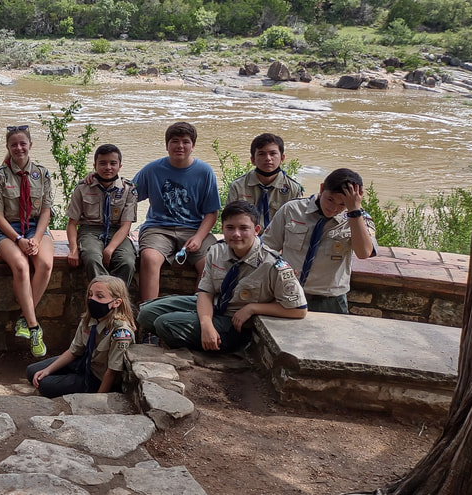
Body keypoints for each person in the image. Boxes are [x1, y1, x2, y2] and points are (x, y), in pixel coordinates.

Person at [137, 201, 307, 353]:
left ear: (256, 230)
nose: (236, 234)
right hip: (213, 307)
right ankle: (203, 335)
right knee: (145, 312)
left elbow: (298, 310)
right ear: (223, 228)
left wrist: (253, 308)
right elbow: (205, 292)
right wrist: (206, 324)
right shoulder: (217, 251)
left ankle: (209, 347)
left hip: (233, 324)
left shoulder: (272, 264)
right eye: (230, 228)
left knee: (165, 324)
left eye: (243, 228)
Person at [261, 168, 378, 314]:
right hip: (288, 292)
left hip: (330, 300)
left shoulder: (358, 220)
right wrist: (278, 268)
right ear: (322, 188)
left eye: (342, 204)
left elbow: (364, 252)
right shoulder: (292, 209)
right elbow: (266, 248)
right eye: (330, 199)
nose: (333, 207)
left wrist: (354, 211)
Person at [132, 122, 220, 303]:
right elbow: (127, 195)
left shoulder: (205, 172)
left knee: (211, 262)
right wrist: (99, 178)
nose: (180, 146)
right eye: (175, 141)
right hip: (158, 228)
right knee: (149, 258)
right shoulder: (153, 169)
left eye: (185, 142)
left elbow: (212, 212)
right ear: (167, 145)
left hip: (194, 229)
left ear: (193, 146)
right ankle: (148, 316)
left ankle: (195, 313)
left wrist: (198, 237)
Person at [0, 125, 54, 358]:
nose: (19, 148)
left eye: (23, 143)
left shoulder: (42, 174)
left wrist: (35, 238)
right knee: (21, 266)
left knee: (44, 264)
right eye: (14, 144)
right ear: (8, 147)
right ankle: (34, 327)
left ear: (30, 145)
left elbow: (46, 210)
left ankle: (24, 319)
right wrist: (18, 239)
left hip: (36, 228)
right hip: (8, 231)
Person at [26, 275, 136, 398]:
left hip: (96, 377)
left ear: (116, 302)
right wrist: (48, 370)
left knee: (45, 385)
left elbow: (112, 372)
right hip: (83, 362)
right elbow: (74, 351)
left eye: (99, 296)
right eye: (90, 295)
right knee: (32, 371)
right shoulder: (89, 319)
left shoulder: (120, 332)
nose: (92, 299)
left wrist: (98, 399)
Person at [66, 144, 138, 285]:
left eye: (113, 163)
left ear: (120, 166)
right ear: (95, 165)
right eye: (103, 163)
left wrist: (110, 249)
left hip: (117, 232)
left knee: (127, 262)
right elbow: (72, 223)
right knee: (92, 258)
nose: (108, 167)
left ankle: (116, 299)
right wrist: (73, 250)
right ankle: (102, 298)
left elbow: (126, 226)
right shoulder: (82, 188)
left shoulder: (128, 189)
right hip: (90, 231)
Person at [226, 133, 304, 228]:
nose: (268, 158)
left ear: (282, 158)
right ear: (253, 160)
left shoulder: (293, 189)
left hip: (279, 240)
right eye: (261, 154)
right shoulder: (238, 186)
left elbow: (296, 224)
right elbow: (230, 220)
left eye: (273, 153)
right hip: (247, 239)